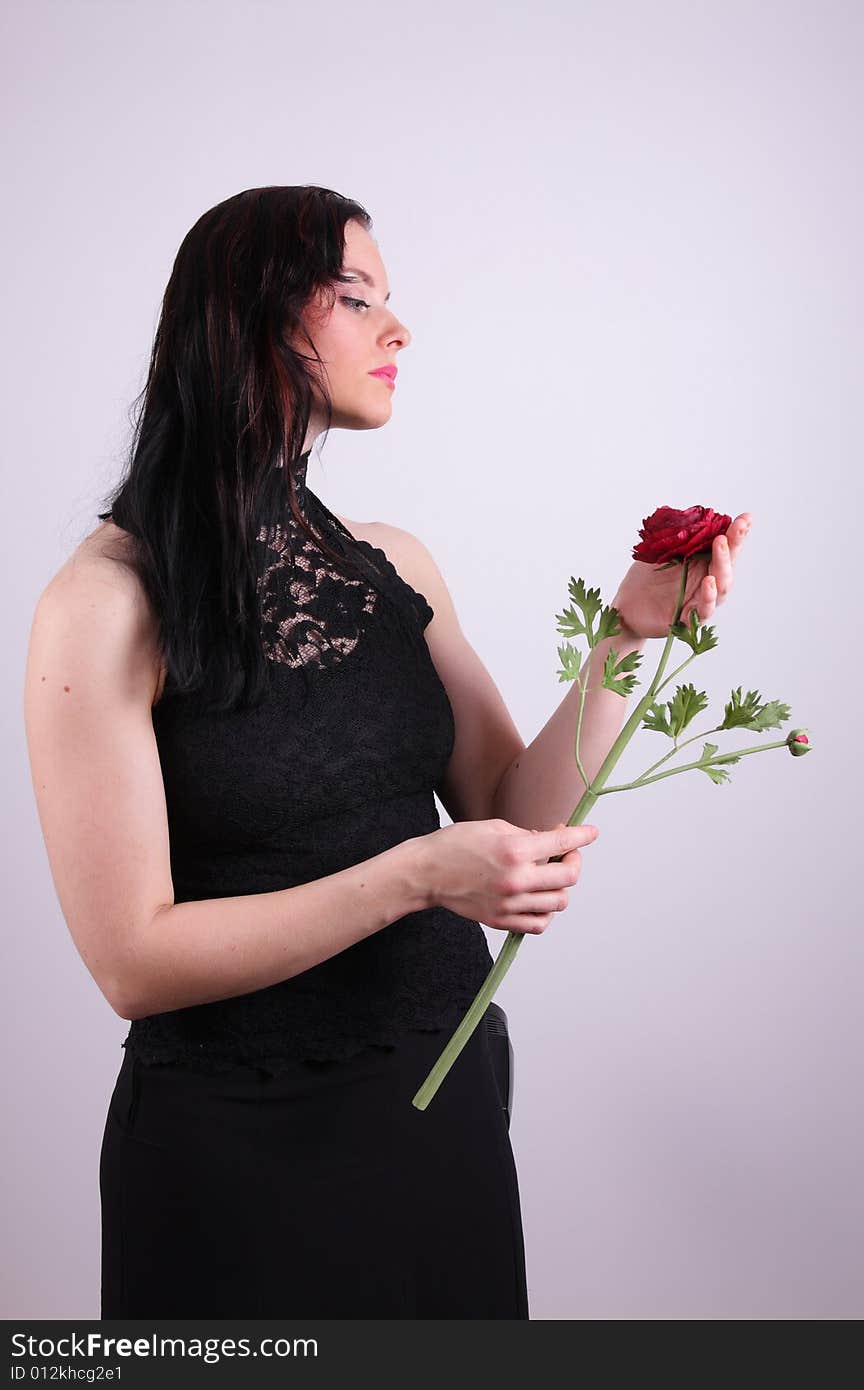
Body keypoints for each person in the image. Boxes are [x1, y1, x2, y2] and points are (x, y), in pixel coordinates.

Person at [23, 185, 600, 1319]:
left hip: (440, 1108)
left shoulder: (396, 565)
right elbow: (130, 962)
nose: (398, 330)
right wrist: (417, 875)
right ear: (250, 319)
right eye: (356, 297)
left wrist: (630, 638)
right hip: (235, 1151)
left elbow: (515, 821)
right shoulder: (101, 606)